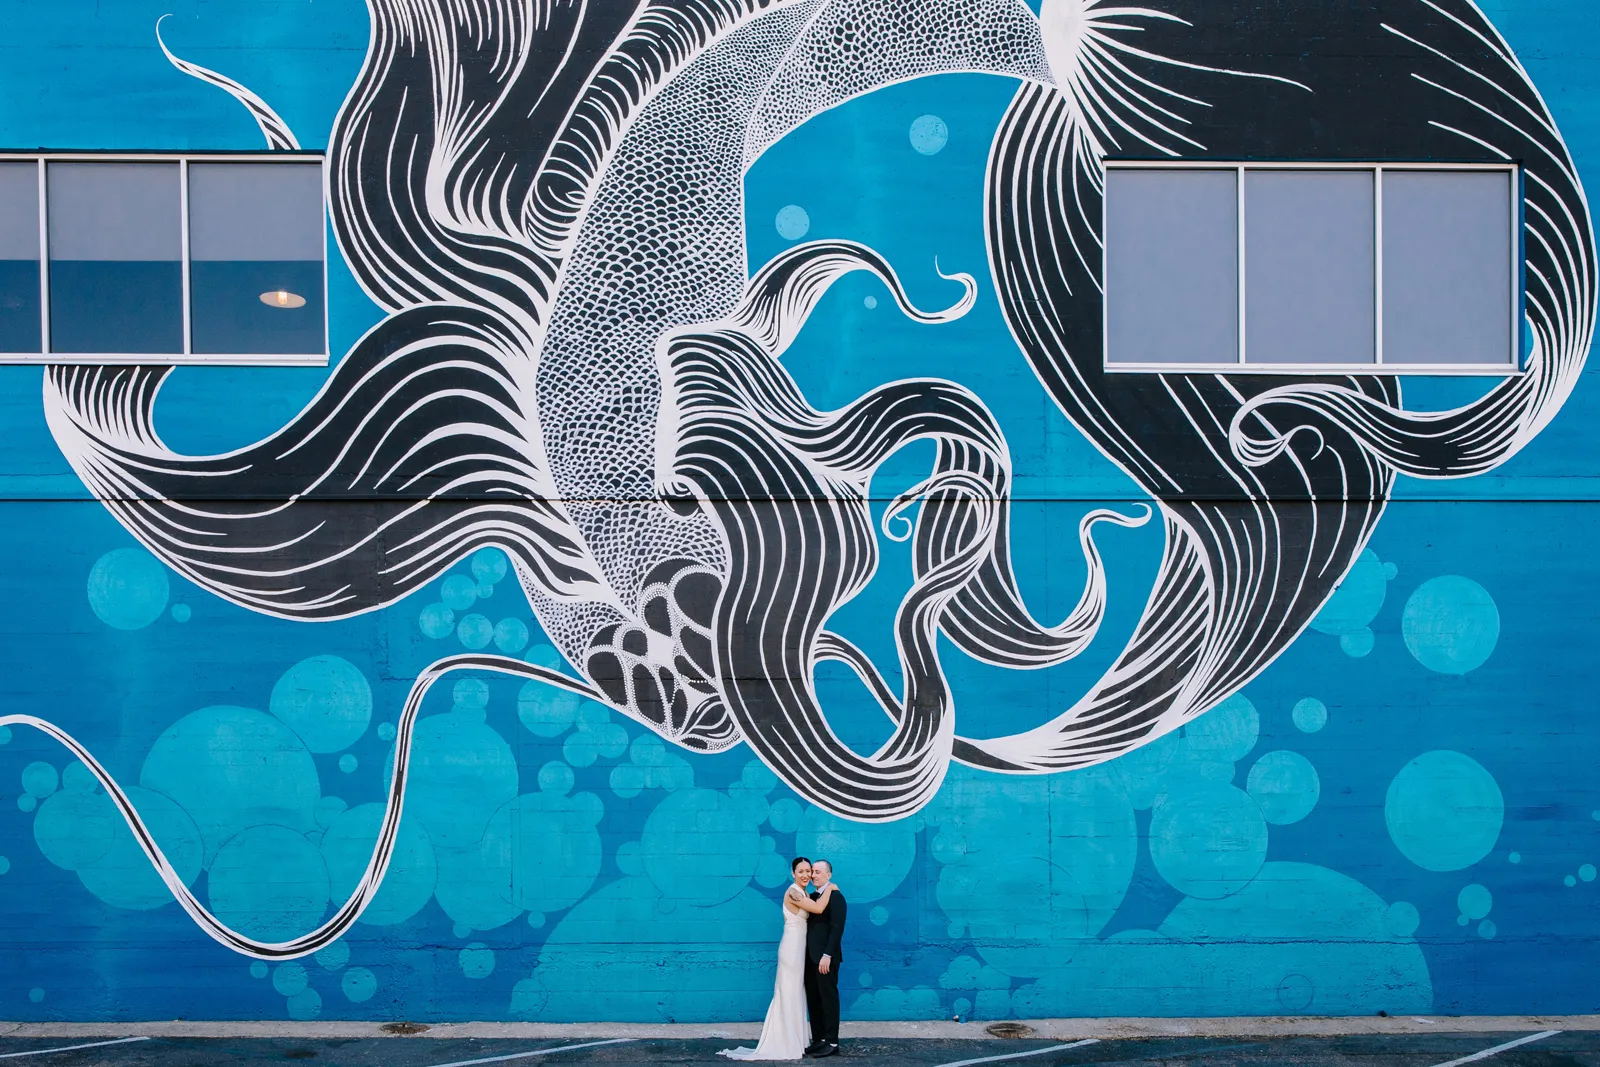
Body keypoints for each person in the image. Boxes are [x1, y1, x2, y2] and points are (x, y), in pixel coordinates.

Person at [719, 858, 838, 1061]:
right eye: (800, 871)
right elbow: (818, 909)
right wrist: (831, 888)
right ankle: (784, 1041)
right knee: (788, 992)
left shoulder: (803, 892)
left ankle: (796, 1040)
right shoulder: (793, 891)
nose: (805, 875)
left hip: (801, 948)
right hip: (792, 948)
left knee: (795, 993)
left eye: (808, 871)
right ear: (792, 873)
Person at [803, 859, 846, 1058]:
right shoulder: (812, 897)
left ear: (829, 875)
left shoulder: (836, 897)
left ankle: (832, 1041)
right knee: (814, 998)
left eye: (818, 872)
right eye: (812, 871)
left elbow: (836, 930)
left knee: (828, 998)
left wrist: (827, 955)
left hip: (825, 959)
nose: (813, 875)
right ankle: (819, 1039)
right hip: (810, 958)